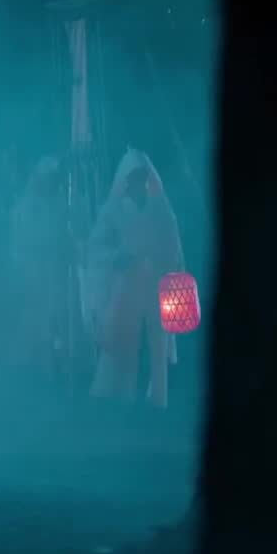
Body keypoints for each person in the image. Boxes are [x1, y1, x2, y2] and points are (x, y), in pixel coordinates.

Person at [82, 147, 184, 408]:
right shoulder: (113, 210)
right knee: (123, 342)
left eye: (142, 176)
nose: (138, 182)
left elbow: (173, 244)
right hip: (124, 287)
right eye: (133, 177)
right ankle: (119, 395)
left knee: (157, 343)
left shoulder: (160, 208)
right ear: (125, 180)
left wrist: (168, 265)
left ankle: (158, 399)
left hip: (155, 285)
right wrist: (118, 257)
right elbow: (96, 247)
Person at [7, 155, 87, 384]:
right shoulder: (26, 206)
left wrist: (69, 243)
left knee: (59, 318)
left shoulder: (61, 203)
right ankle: (35, 370)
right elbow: (26, 239)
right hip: (35, 271)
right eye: (48, 180)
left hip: (57, 272)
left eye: (54, 180)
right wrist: (49, 247)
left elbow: (72, 233)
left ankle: (59, 366)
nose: (52, 184)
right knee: (38, 319)